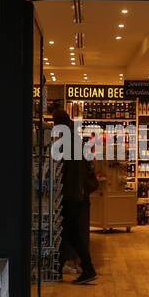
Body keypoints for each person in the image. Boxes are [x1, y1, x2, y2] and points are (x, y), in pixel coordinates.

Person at [49, 101, 98, 285]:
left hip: (71, 194)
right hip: (76, 194)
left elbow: (68, 171)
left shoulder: (67, 141)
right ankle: (58, 269)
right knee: (67, 232)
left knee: (71, 233)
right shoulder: (74, 138)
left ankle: (88, 268)